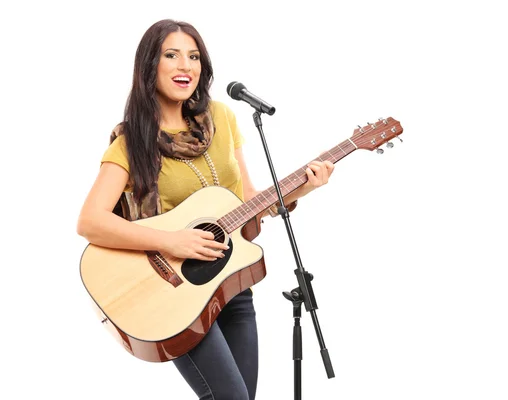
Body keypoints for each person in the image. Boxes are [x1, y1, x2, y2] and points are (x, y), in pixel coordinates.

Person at [76, 19, 335, 400]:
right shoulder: (133, 142)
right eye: (172, 55)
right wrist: (171, 242)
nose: (186, 66)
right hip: (177, 293)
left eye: (194, 56)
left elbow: (249, 200)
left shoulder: (222, 119)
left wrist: (304, 189)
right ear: (150, 66)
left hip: (232, 284)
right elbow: (90, 220)